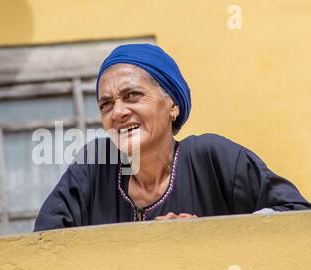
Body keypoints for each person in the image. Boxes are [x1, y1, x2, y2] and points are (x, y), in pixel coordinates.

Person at [34, 43, 311, 231]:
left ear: (172, 105)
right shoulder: (93, 169)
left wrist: (208, 232)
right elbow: (45, 246)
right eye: (106, 104)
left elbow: (298, 216)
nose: (117, 112)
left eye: (133, 96)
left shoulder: (213, 158)